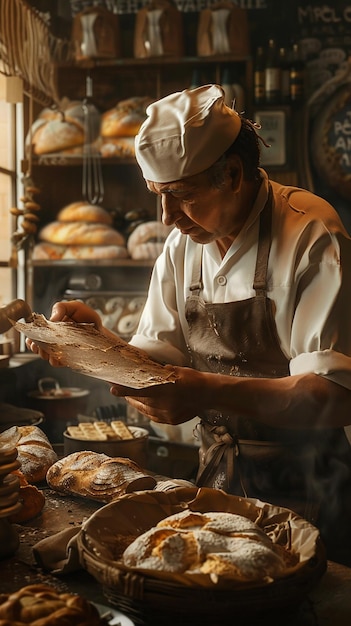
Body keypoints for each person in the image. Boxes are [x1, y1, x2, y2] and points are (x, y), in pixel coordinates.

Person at [26, 84, 351, 565]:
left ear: (234, 174)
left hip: (311, 485)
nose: (167, 217)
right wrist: (100, 343)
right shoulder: (184, 246)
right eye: (158, 196)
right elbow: (161, 363)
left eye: (181, 196)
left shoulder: (309, 232)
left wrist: (202, 391)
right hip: (218, 482)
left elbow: (333, 396)